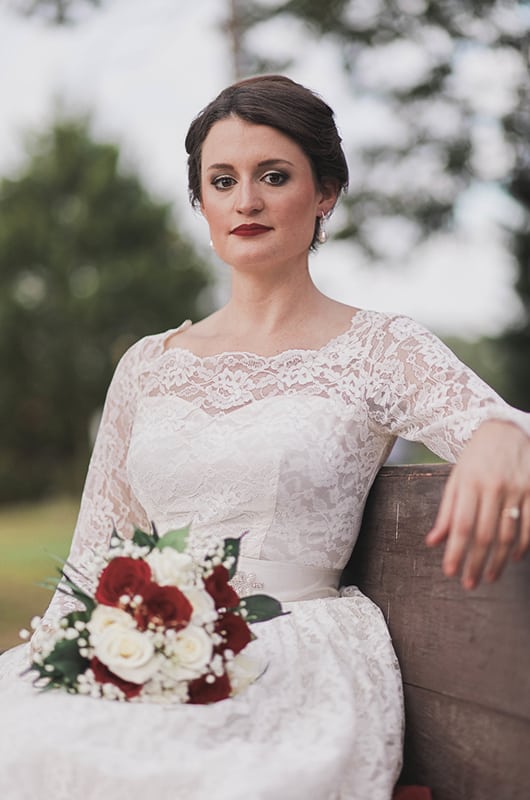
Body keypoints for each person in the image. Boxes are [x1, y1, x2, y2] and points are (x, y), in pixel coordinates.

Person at [0, 75, 529, 800]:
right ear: (202, 203)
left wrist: (501, 434)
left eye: (272, 176)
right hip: (147, 639)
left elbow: (498, 425)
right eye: (222, 181)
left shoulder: (378, 348)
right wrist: (59, 665)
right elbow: (96, 554)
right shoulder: (147, 366)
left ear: (325, 194)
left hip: (288, 655)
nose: (245, 201)